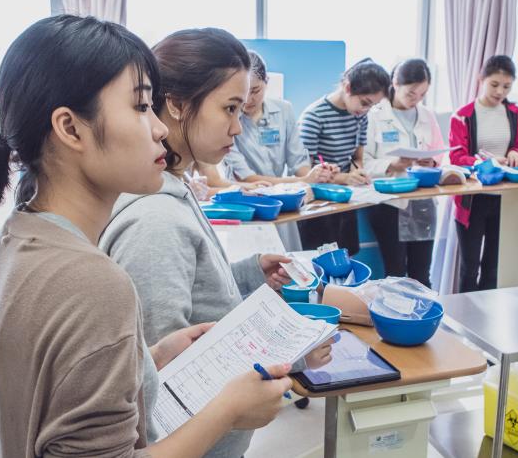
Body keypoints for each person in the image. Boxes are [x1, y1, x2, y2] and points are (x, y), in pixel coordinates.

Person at [0, 16, 291, 458]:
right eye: (140, 107)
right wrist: (227, 410)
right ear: (70, 128)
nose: (158, 129)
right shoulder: (94, 282)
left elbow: (56, 397)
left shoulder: (14, 240)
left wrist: (146, 361)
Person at [99, 28, 332, 457]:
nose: (237, 127)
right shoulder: (154, 219)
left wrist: (247, 274)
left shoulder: (175, 188)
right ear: (177, 104)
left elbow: (191, 297)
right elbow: (171, 378)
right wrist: (293, 355)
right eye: (228, 109)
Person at [449, 55, 518, 292]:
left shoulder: (516, 113)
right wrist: (485, 162)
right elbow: (456, 158)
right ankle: (463, 319)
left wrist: (516, 153)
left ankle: (485, 322)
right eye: (494, 84)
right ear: (481, 79)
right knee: (469, 266)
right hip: (472, 200)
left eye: (506, 86)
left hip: (504, 197)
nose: (500, 92)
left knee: (493, 266)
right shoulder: (463, 115)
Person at [364, 59, 445, 285]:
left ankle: (424, 317)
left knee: (422, 274)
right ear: (395, 83)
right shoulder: (375, 114)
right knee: (396, 272)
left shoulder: (427, 115)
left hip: (422, 200)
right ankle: (396, 318)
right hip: (389, 203)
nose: (416, 100)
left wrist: (431, 162)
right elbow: (363, 162)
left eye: (422, 95)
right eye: (411, 93)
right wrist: (392, 165)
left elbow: (438, 152)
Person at [297, 58, 390, 255]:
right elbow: (306, 171)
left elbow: (357, 157)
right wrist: (345, 178)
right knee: (318, 262)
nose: (365, 110)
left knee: (348, 259)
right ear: (348, 87)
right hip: (318, 204)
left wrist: (358, 171)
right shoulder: (314, 116)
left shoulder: (360, 116)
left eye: (371, 106)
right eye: (364, 103)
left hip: (346, 200)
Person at [223, 51, 335, 185]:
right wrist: (303, 180)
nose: (248, 100)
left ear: (266, 81)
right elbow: (246, 177)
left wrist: (316, 175)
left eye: (255, 91)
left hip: (280, 193)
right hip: (244, 195)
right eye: (244, 92)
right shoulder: (229, 119)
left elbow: (298, 162)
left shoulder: (284, 110)